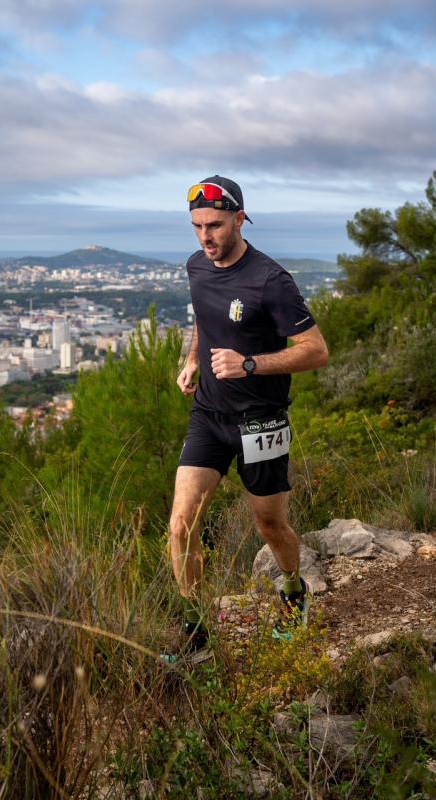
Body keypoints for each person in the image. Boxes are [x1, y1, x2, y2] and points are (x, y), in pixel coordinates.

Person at [169, 175, 329, 654]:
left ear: (239, 219)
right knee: (181, 524)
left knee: (269, 525)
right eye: (197, 226)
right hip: (209, 414)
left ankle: (294, 591)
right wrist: (193, 359)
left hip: (261, 420)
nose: (205, 237)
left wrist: (250, 364)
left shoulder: (270, 280)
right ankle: (197, 631)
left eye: (214, 226)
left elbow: (317, 351)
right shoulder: (197, 265)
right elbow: (204, 317)